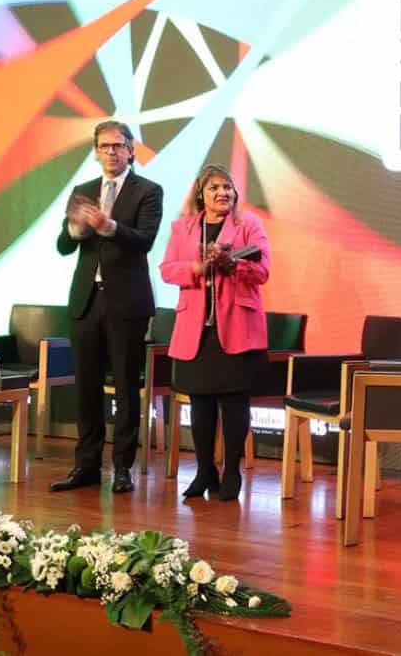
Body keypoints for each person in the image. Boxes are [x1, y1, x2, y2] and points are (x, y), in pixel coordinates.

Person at [51, 120, 164, 494]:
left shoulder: (148, 191)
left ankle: (122, 468)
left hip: (126, 303)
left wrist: (108, 225)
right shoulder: (83, 191)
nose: (111, 152)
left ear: (131, 150)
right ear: (95, 152)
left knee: (127, 389)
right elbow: (63, 246)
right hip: (86, 301)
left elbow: (144, 239)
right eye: (104, 146)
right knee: (87, 387)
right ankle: (86, 465)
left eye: (118, 145)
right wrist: (75, 230)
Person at [159, 164, 271, 502]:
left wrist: (231, 264)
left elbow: (263, 271)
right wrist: (196, 268)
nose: (223, 193)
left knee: (235, 402)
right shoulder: (183, 227)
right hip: (196, 330)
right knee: (201, 402)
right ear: (201, 194)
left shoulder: (249, 225)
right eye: (214, 188)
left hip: (237, 327)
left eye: (227, 187)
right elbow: (167, 270)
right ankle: (205, 471)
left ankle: (232, 471)